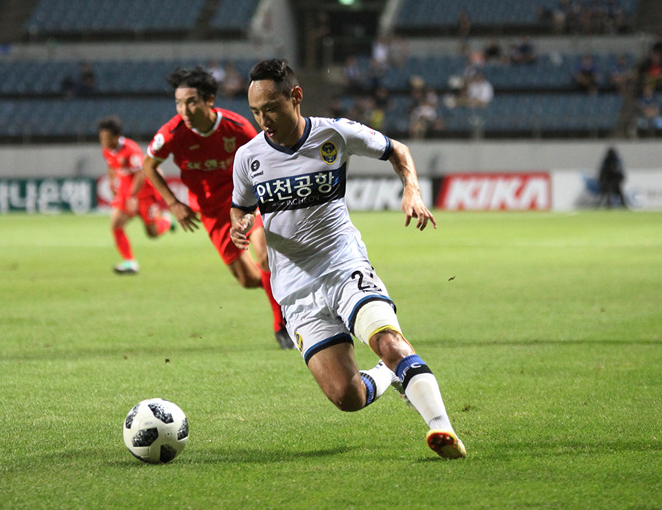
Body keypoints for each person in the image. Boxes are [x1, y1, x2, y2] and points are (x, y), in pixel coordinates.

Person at [229, 59, 466, 460]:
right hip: (295, 288)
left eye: (270, 108)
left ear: (295, 96)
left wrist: (412, 189)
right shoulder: (247, 157)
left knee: (387, 340)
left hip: (343, 264)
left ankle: (442, 427)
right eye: (255, 112)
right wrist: (241, 225)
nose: (263, 120)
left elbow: (398, 150)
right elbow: (240, 207)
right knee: (347, 396)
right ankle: (389, 375)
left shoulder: (334, 134)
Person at [140, 67, 292, 349]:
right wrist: (173, 203)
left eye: (191, 102)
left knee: (264, 256)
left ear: (209, 100)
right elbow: (148, 164)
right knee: (249, 279)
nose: (184, 110)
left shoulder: (237, 127)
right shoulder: (172, 133)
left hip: (245, 202)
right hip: (211, 212)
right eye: (178, 103)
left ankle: (281, 325)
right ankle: (288, 285)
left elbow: (263, 157)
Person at [98, 116, 172, 275]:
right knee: (116, 224)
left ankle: (166, 220)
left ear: (116, 137)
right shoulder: (106, 150)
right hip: (126, 192)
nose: (103, 141)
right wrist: (112, 184)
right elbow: (111, 166)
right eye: (101, 137)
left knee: (152, 233)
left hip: (145, 194)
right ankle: (130, 262)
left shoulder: (131, 150)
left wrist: (133, 197)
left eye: (106, 137)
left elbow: (140, 174)